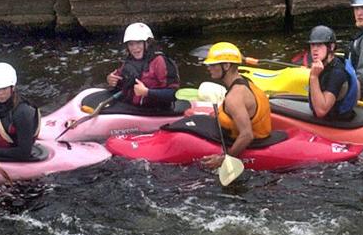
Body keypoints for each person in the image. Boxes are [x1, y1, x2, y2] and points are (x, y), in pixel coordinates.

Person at [197, 42, 272, 170]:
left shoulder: (234, 98)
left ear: (226, 65)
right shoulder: (245, 80)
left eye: (212, 65)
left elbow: (247, 135)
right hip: (258, 132)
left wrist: (224, 159)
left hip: (253, 140)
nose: (208, 68)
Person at [106, 22, 181, 110]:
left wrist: (147, 92)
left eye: (138, 43)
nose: (134, 48)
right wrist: (110, 79)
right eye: (131, 44)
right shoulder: (130, 60)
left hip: (154, 111)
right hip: (131, 107)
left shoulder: (160, 61)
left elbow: (174, 94)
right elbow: (119, 80)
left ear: (147, 43)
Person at [306, 25, 359, 121]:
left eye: (319, 45)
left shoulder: (337, 73)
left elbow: (321, 111)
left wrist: (314, 77)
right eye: (312, 45)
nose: (314, 49)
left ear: (331, 46)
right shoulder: (329, 63)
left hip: (337, 121)